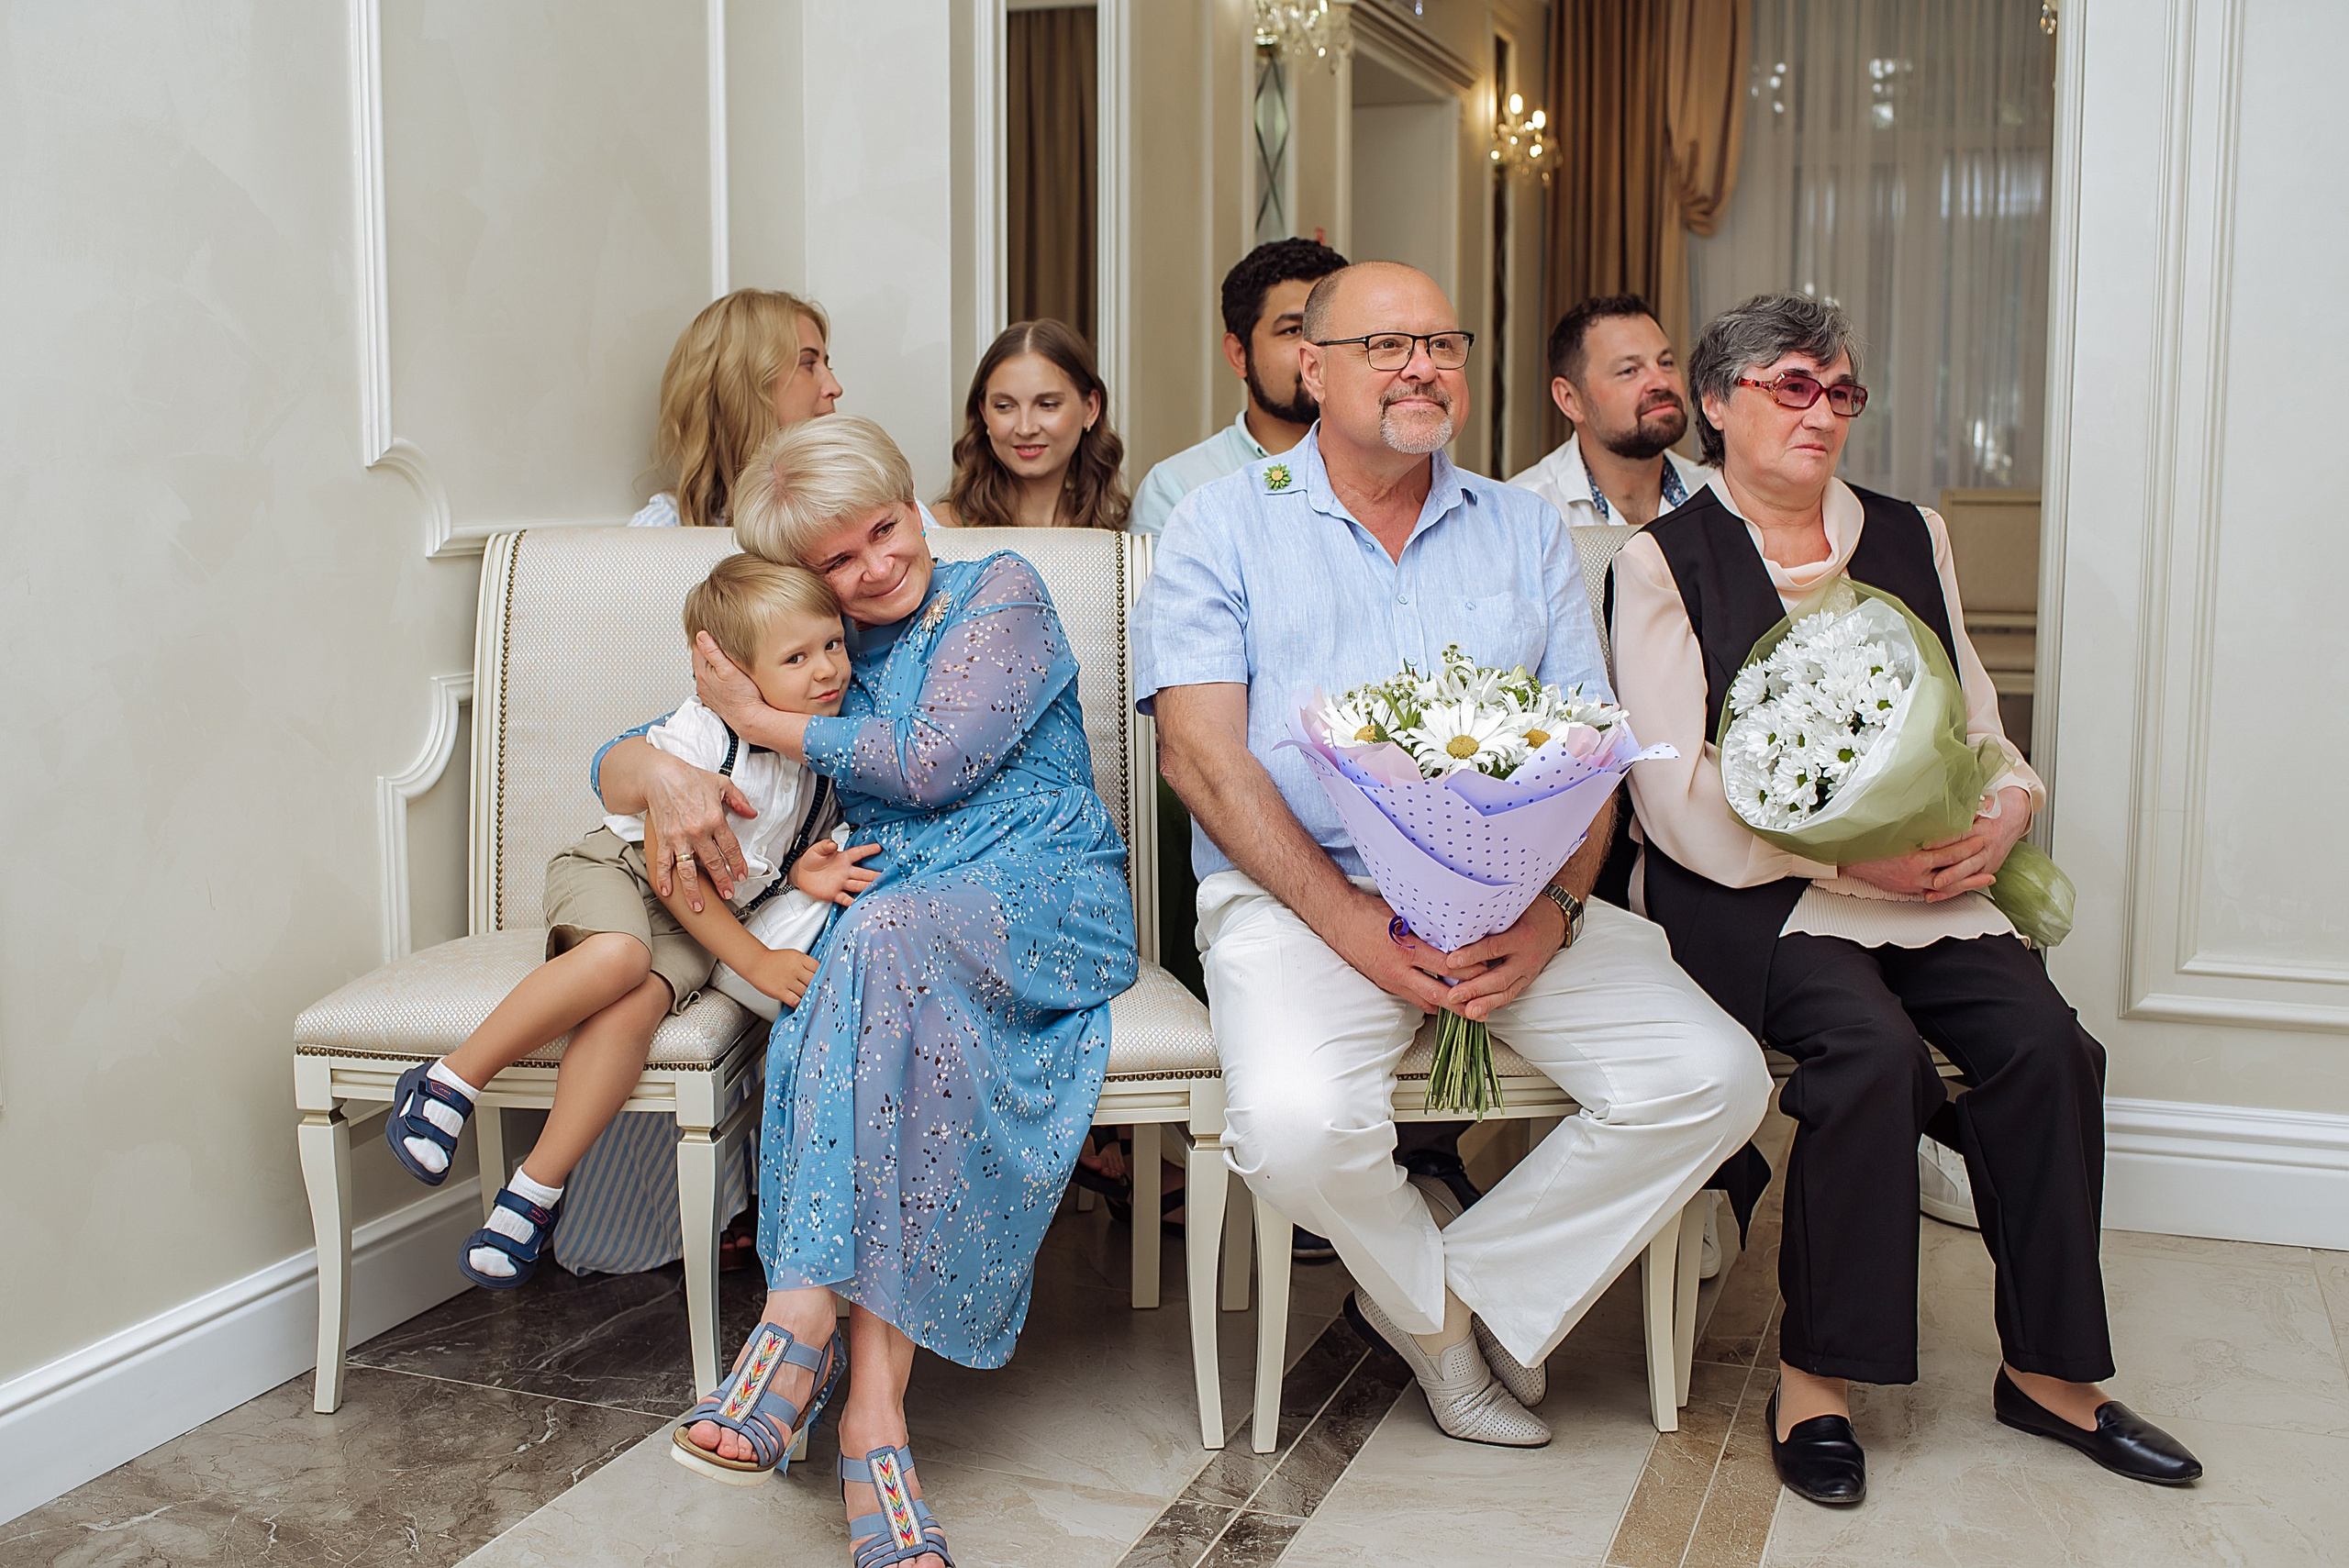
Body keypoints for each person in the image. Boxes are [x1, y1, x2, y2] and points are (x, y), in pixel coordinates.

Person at [1137, 261, 1771, 1449]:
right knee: (1289, 1123)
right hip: (1302, 902)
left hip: (1515, 901)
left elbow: (1592, 748)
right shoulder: (1216, 524)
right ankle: (1446, 1342)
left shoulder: (1526, 528)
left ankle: (1448, 1298)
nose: (1424, 364)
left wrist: (1558, 915)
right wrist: (1356, 928)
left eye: (1444, 341)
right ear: (1309, 368)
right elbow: (1201, 758)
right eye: (1386, 345)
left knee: (1716, 1078)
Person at [1609, 291, 2201, 1506]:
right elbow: (1674, 792)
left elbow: (1974, 716)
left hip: (1928, 877)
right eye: (1791, 385)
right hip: (1754, 889)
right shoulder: (1659, 559)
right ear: (1718, 405)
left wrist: (2011, 802)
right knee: (1870, 1051)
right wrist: (1843, 863)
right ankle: (1819, 1379)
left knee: (2049, 1046)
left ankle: (2051, 1376)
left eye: (1840, 391)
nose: (1821, 411)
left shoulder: (1908, 530)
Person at [601, 416, 1135, 1568]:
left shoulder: (1002, 589)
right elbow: (629, 749)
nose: (872, 569)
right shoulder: (818, 643)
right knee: (874, 977)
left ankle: (796, 1324)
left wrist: (757, 719)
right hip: (895, 911)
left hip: (1043, 891)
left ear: (912, 501)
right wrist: (655, 765)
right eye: (837, 562)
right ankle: (872, 1425)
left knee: (869, 949)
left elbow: (932, 758)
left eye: (883, 532)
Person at [383, 556, 867, 1289]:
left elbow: (767, 855)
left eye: (832, 644)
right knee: (617, 960)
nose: (827, 669)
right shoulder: (702, 735)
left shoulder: (817, 758)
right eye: (796, 657)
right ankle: (449, 1080)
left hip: (694, 923)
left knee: (637, 1001)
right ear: (732, 671)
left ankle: (534, 1191)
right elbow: (672, 873)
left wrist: (804, 872)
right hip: (622, 874)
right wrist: (759, 963)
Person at [1130, 237, 1348, 537]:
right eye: (1293, 330)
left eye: (1333, 330)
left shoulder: (1394, 468)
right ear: (1239, 354)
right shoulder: (1180, 488)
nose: (1315, 353)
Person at [630, 287, 843, 529]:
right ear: (748, 385)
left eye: (827, 366)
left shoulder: (844, 510)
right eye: (808, 363)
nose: (835, 388)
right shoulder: (663, 530)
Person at [1509, 293, 1711, 529]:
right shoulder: (1525, 511)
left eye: (1665, 363)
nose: (1661, 382)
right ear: (1570, 400)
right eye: (1629, 370)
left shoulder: (1717, 493)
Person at [932, 318, 1129, 529]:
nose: (1025, 429)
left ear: (1090, 408)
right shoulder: (941, 530)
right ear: (984, 414)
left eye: (1047, 404)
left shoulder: (1113, 538)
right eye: (1004, 406)